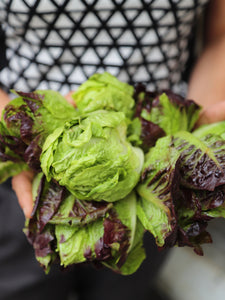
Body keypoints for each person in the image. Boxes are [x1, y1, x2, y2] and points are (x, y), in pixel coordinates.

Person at [0, 0, 225, 299]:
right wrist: (21, 129)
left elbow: (220, 35)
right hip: (28, 168)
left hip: (156, 178)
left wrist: (184, 136)